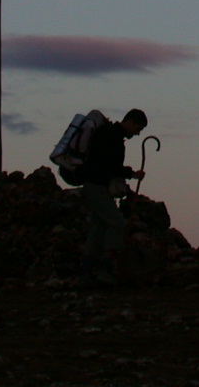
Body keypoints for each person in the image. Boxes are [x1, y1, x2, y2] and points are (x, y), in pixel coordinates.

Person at [79, 108, 147, 286]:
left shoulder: (107, 134)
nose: (137, 133)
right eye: (138, 128)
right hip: (96, 186)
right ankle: (105, 270)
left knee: (99, 226)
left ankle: (87, 273)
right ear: (130, 122)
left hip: (93, 184)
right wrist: (131, 173)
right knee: (117, 223)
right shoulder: (113, 137)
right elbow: (109, 166)